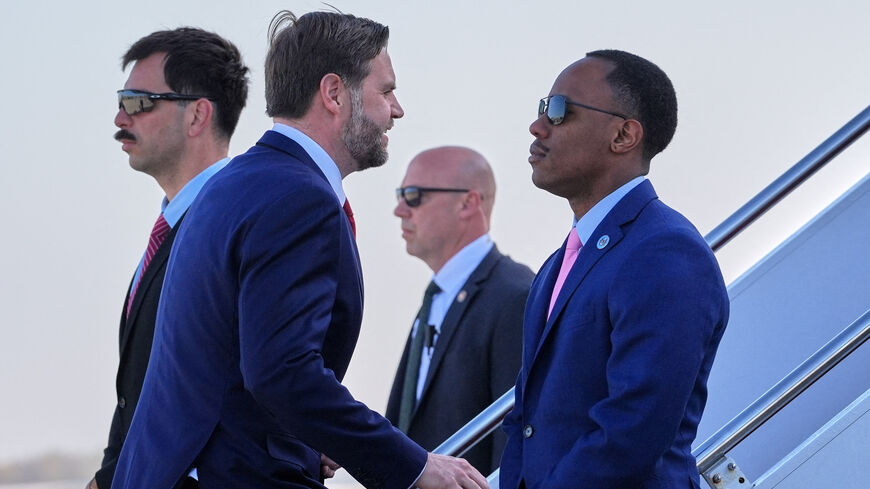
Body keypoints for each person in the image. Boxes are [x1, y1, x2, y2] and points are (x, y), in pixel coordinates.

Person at [111, 11, 489, 489]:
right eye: (386, 90)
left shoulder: (233, 184)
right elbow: (281, 373)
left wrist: (310, 437)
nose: (396, 110)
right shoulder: (299, 197)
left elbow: (230, 364)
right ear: (334, 93)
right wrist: (415, 466)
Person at [500, 50, 730, 489]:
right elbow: (525, 422)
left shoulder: (665, 251)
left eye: (559, 110)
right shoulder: (562, 261)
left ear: (624, 135)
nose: (538, 126)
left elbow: (634, 427)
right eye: (542, 107)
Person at [89, 27, 249, 489]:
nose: (120, 117)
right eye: (122, 100)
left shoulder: (241, 224)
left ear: (198, 114)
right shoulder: (174, 225)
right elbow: (139, 390)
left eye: (138, 101)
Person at [386, 146, 534, 476]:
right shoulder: (439, 297)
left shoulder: (514, 296)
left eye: (414, 196)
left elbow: (513, 447)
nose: (399, 210)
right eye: (400, 195)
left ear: (468, 203)